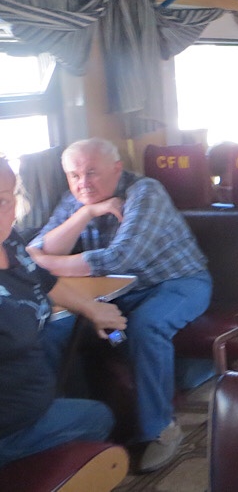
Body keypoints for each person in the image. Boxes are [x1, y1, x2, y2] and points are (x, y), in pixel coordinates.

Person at [27, 139, 211, 473]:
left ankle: (161, 428)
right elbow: (36, 248)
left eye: (92, 172)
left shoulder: (145, 192)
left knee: (145, 327)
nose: (83, 182)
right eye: (74, 175)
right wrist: (84, 213)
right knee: (55, 330)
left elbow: (120, 258)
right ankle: (59, 423)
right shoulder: (75, 200)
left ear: (116, 169)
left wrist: (43, 263)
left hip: (177, 283)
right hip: (116, 294)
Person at [0, 154, 127, 469]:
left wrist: (91, 309)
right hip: (10, 428)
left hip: (29, 394)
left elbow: (42, 278)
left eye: (6, 199)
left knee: (82, 333)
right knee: (100, 418)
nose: (10, 211)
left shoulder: (9, 241)